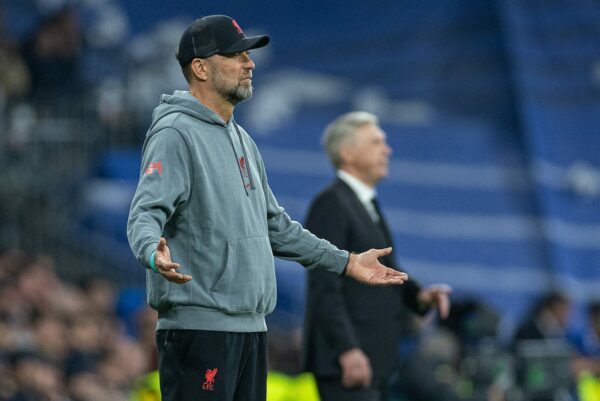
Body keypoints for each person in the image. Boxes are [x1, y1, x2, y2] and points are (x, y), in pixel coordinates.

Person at [126, 15, 408, 401]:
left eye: (249, 55)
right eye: (236, 55)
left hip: (250, 330)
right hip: (201, 330)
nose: (250, 64)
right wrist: (150, 252)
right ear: (201, 68)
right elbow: (145, 212)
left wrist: (346, 261)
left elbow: (275, 226)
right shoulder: (176, 134)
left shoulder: (242, 139)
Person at [302, 111, 451, 401]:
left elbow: (385, 269)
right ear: (348, 152)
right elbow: (324, 286)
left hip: (374, 360)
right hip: (350, 362)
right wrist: (346, 349)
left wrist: (419, 296)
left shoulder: (365, 203)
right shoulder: (332, 203)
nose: (387, 149)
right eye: (376, 142)